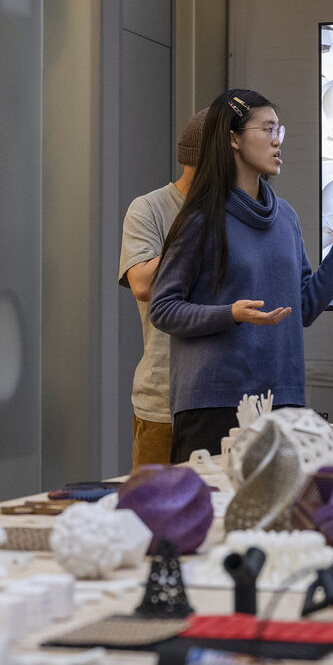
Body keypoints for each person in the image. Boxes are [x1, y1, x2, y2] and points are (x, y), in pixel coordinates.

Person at [150, 88, 333, 463]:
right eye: (267, 130)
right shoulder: (199, 221)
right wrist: (230, 313)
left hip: (284, 401)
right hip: (215, 404)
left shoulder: (286, 218)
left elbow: (306, 308)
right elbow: (164, 308)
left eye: (280, 130)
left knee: (284, 517)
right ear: (233, 138)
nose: (277, 141)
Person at [119, 110, 206, 469]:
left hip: (224, 398)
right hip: (163, 400)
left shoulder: (242, 210)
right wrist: (199, 217)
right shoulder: (150, 208)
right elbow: (143, 284)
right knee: (151, 515)